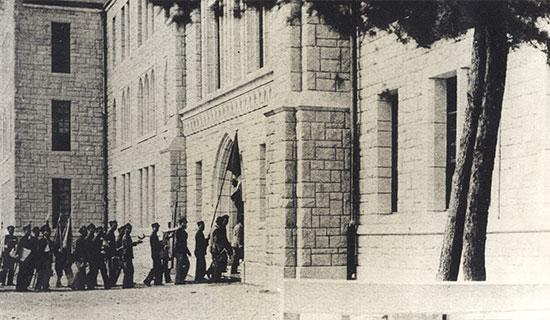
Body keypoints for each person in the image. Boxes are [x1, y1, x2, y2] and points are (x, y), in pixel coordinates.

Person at [120, 223, 143, 289]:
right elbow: (128, 245)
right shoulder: (125, 236)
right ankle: (126, 284)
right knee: (128, 270)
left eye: (130, 229)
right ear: (126, 229)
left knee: (130, 270)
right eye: (128, 229)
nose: (130, 230)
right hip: (126, 255)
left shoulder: (127, 236)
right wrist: (136, 243)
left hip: (128, 255)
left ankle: (129, 283)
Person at [53, 216, 74, 288]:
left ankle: (70, 282)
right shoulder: (57, 236)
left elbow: (68, 242)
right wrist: (57, 252)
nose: (63, 225)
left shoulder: (67, 234)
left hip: (66, 254)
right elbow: (55, 245)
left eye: (65, 223)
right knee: (59, 270)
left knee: (68, 268)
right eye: (62, 223)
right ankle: (58, 282)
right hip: (59, 255)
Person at [210, 216, 232, 282]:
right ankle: (215, 277)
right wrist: (218, 249)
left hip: (221, 249)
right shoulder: (217, 230)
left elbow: (225, 239)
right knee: (218, 262)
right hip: (217, 249)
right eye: (225, 221)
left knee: (220, 262)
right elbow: (215, 241)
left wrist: (228, 248)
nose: (226, 223)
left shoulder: (223, 229)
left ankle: (214, 274)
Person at [35, 224, 53, 291]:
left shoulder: (50, 242)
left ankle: (45, 286)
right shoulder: (40, 241)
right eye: (45, 231)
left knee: (47, 273)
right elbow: (39, 251)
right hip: (42, 259)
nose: (47, 233)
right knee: (41, 273)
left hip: (48, 259)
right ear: (42, 233)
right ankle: (38, 286)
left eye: (48, 231)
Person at [173, 217, 191, 285]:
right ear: (181, 223)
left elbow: (184, 243)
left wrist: (187, 251)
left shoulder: (184, 232)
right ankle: (178, 280)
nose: (186, 224)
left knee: (186, 264)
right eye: (185, 223)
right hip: (179, 251)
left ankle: (181, 279)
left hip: (182, 251)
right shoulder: (179, 231)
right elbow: (181, 243)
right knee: (179, 266)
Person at [71, 226, 89, 290]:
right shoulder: (79, 240)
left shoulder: (84, 240)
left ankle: (81, 285)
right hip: (79, 258)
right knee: (79, 271)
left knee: (82, 272)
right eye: (85, 232)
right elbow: (78, 251)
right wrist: (81, 258)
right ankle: (73, 284)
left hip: (82, 258)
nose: (86, 233)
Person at [104, 220, 118, 286]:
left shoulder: (111, 232)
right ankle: (110, 282)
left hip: (111, 253)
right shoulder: (109, 233)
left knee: (111, 267)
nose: (116, 227)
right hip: (109, 253)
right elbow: (107, 243)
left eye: (116, 225)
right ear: (111, 225)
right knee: (110, 267)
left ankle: (111, 281)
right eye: (115, 225)